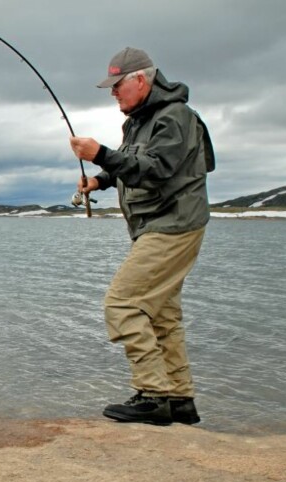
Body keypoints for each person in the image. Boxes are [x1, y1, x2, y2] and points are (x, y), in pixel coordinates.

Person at [69, 47, 214, 425]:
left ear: (141, 80)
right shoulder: (139, 121)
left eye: (118, 85)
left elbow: (157, 168)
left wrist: (99, 153)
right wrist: (101, 179)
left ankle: (153, 395)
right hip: (159, 225)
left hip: (173, 224)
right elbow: (131, 165)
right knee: (162, 316)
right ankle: (180, 398)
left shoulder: (175, 117)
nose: (114, 93)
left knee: (123, 304)